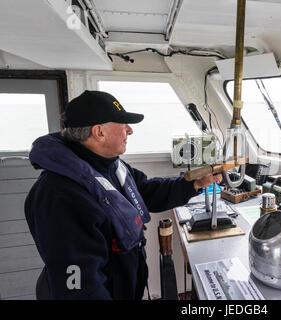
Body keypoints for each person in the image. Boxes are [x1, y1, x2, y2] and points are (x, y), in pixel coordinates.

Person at [24, 90, 221, 300]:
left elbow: (145, 192)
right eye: (122, 123)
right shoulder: (60, 195)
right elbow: (80, 287)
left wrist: (194, 183)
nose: (130, 130)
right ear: (99, 132)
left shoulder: (109, 165)